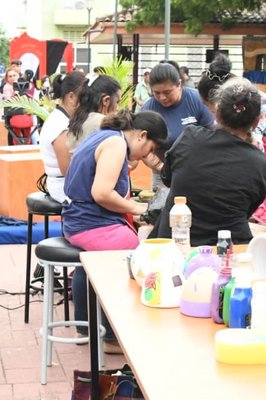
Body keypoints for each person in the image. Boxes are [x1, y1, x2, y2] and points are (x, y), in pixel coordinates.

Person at [63, 109, 169, 351]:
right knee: (137, 256)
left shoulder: (106, 135)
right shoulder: (116, 144)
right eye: (151, 149)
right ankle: (112, 336)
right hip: (89, 222)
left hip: (77, 220)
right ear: (142, 135)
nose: (147, 156)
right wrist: (140, 209)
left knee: (124, 246)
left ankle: (87, 325)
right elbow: (101, 193)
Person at [153, 78, 266, 246]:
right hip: (230, 249)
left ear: (216, 111)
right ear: (257, 120)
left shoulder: (190, 138)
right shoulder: (263, 165)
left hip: (176, 244)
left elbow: (167, 178)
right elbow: (246, 210)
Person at [197, 53, 266, 222]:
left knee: (262, 208)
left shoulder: (251, 106)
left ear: (219, 105)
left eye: (207, 106)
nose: (208, 111)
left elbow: (256, 147)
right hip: (263, 147)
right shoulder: (242, 99)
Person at [142, 61, 214, 188]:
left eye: (167, 92)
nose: (162, 97)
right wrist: (161, 167)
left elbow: (212, 137)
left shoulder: (197, 100)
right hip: (163, 175)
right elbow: (142, 148)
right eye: (156, 93)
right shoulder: (148, 109)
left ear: (179, 84)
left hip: (198, 171)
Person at [39, 70, 86, 202]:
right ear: (71, 97)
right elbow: (69, 171)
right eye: (85, 97)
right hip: (63, 186)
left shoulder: (64, 119)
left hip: (67, 182)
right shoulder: (59, 126)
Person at [60, 74, 122, 173]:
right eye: (117, 102)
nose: (118, 108)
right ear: (106, 100)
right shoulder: (103, 123)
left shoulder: (77, 120)